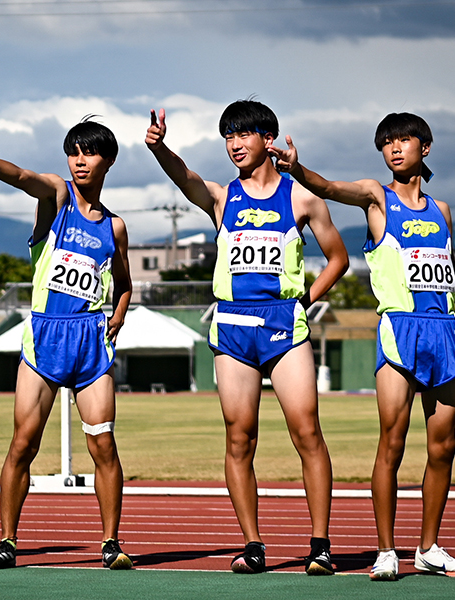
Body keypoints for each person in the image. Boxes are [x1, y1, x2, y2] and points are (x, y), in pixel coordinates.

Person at [271, 112, 455, 579]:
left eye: (404, 139)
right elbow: (328, 188)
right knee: (392, 443)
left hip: (443, 333)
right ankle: (386, 551)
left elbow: (451, 275)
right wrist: (296, 169)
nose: (394, 148)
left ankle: (429, 548)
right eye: (386, 142)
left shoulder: (442, 210)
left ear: (424, 147)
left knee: (443, 447)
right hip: (399, 332)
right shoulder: (375, 196)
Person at [146, 100, 349, 576]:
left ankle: (320, 545)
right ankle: (253, 544)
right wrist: (160, 149)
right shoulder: (221, 197)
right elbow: (186, 178)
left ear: (267, 139)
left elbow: (337, 257)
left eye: (243, 134)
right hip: (233, 326)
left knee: (307, 433)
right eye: (228, 136)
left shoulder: (302, 199)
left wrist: (304, 300)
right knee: (240, 438)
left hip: (284, 324)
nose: (234, 144)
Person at [0, 119, 134, 571]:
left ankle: (111, 543)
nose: (79, 160)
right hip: (44, 339)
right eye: (72, 152)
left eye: (89, 152)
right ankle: (7, 542)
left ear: (108, 161)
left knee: (104, 446)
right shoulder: (56, 197)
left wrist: (117, 314)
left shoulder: (115, 227)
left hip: (91, 345)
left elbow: (126, 283)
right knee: (23, 445)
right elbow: (21, 178)